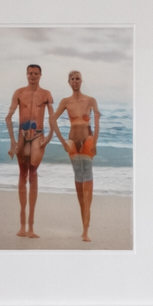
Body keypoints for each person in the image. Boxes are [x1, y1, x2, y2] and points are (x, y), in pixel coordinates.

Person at [50, 70, 100, 242]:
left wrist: (95, 143)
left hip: (87, 140)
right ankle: (83, 227)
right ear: (69, 82)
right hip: (72, 142)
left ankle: (86, 230)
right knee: (79, 184)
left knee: (88, 184)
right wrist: (62, 142)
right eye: (72, 78)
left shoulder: (90, 100)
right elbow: (52, 119)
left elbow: (97, 121)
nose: (75, 81)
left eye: (78, 78)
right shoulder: (66, 101)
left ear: (81, 81)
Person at [6, 64, 53, 239]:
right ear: (26, 74)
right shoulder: (19, 92)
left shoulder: (46, 94)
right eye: (30, 73)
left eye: (36, 73)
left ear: (41, 75)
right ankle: (22, 227)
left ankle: (31, 227)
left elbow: (52, 118)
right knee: (22, 174)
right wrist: (12, 141)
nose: (33, 76)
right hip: (21, 135)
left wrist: (48, 139)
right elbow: (8, 117)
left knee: (33, 174)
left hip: (38, 135)